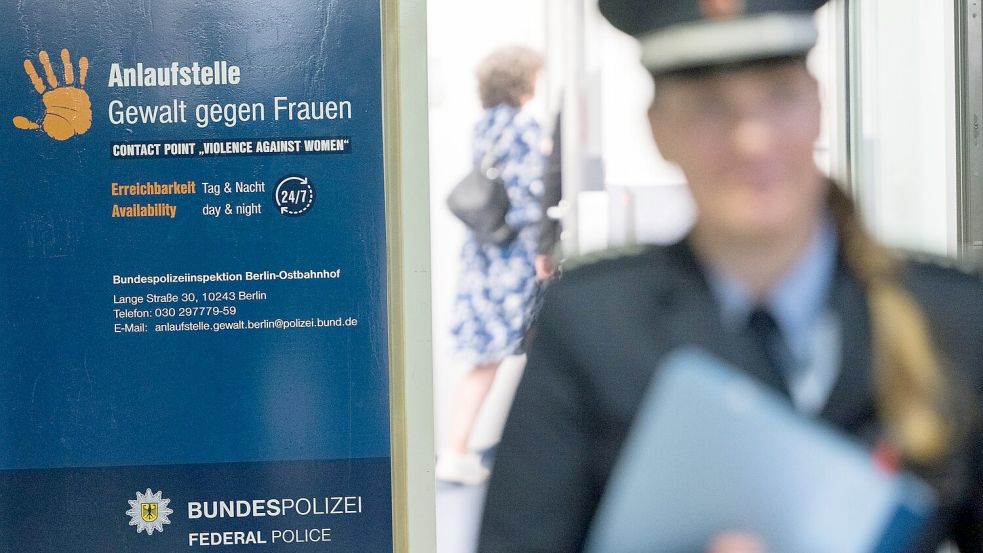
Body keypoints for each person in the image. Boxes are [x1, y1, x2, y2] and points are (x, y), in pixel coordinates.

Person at [478, 1, 983, 551]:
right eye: (709, 107)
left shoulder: (952, 318)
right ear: (658, 130)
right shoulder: (592, 330)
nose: (752, 140)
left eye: (778, 96)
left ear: (817, 105)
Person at [438, 46, 546, 485]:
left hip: (482, 254)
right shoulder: (524, 129)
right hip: (513, 260)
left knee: (485, 357)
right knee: (536, 352)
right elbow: (528, 199)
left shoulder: (483, 127)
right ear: (524, 82)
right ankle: (534, 456)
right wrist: (544, 251)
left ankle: (457, 448)